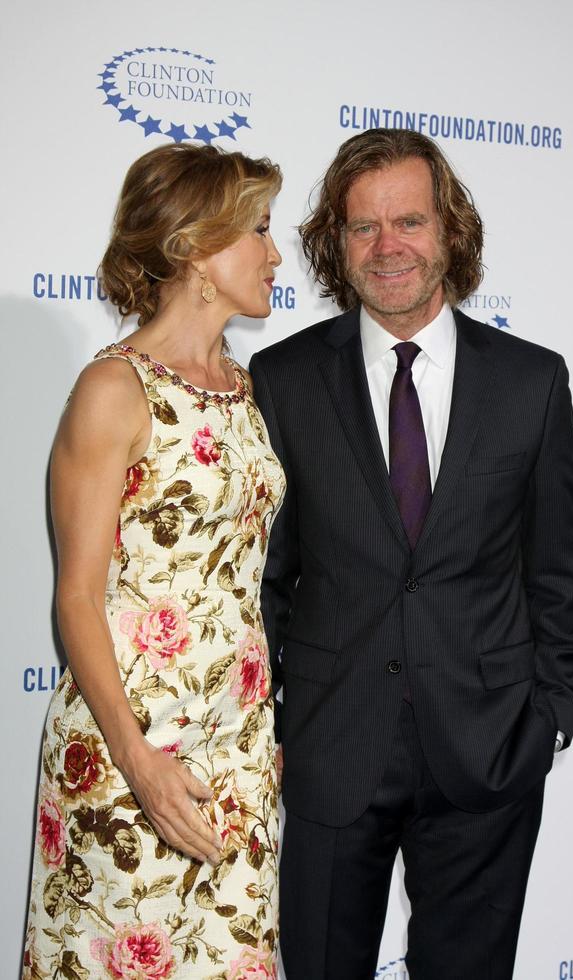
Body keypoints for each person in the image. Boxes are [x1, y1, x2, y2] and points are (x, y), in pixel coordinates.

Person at [250, 128, 573, 980]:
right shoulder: (282, 380)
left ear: (450, 232)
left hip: (488, 749)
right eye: (363, 227)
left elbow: (554, 566)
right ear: (336, 243)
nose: (388, 246)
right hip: (333, 747)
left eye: (409, 221)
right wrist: (278, 717)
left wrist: (550, 711)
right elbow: (266, 575)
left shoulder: (531, 381)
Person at [23, 143, 285, 980]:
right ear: (197, 250)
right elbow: (77, 597)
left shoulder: (241, 388)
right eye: (260, 231)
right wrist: (138, 759)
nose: (276, 255)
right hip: (131, 753)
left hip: (239, 754)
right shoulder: (114, 389)